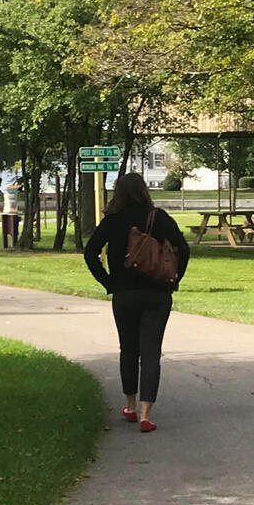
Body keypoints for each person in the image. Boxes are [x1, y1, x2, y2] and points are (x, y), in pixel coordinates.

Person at [84, 172, 190, 433]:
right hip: (157, 294)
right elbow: (184, 249)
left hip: (124, 295)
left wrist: (109, 282)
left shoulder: (112, 220)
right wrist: (174, 280)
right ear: (144, 191)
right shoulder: (159, 218)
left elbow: (90, 253)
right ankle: (146, 414)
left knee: (128, 349)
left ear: (118, 192)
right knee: (151, 352)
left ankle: (129, 406)